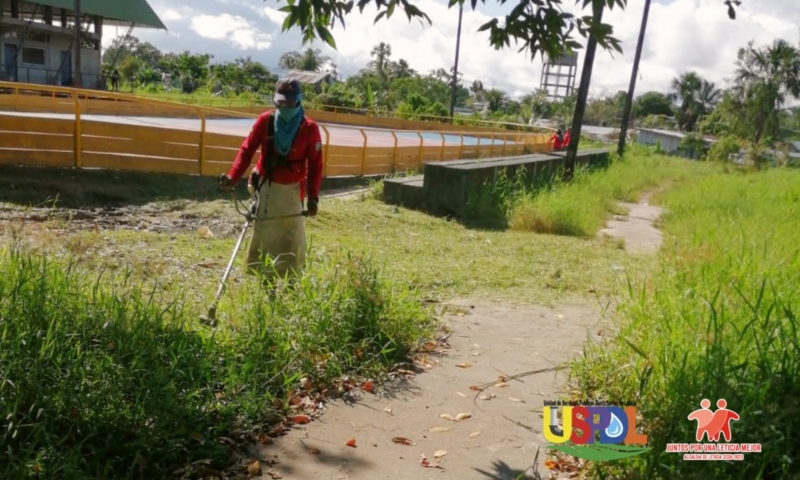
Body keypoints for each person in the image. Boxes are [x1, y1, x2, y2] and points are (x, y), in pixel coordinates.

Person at [219, 78, 323, 282]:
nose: (284, 107)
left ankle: (292, 284)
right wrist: (233, 176)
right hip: (267, 189)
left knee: (291, 239)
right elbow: (246, 150)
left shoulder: (310, 129)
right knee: (266, 237)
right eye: (280, 102)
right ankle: (267, 284)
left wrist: (313, 199)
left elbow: (316, 166)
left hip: (293, 193)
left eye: (289, 103)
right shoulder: (265, 121)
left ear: (298, 101)